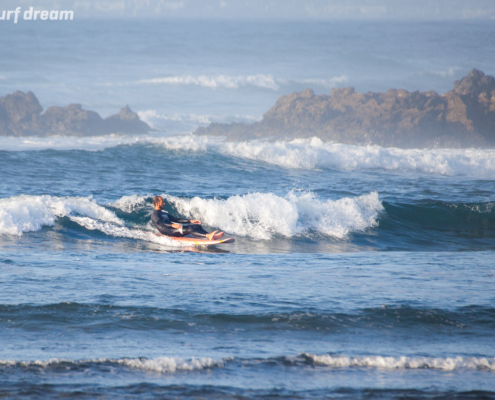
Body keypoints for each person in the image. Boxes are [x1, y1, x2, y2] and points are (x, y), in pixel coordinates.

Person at [151, 196, 224, 240]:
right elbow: (160, 223)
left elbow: (176, 219)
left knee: (196, 226)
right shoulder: (155, 215)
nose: (164, 203)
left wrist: (191, 221)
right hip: (168, 232)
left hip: (173, 229)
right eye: (162, 202)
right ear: (157, 203)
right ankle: (208, 236)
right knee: (189, 229)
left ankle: (210, 235)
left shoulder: (164, 213)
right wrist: (172, 225)